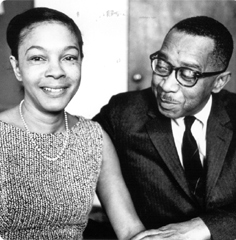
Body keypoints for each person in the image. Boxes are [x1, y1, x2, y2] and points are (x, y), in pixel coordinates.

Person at [0, 7, 147, 239]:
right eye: (38, 58)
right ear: (17, 67)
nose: (56, 71)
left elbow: (129, 230)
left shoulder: (94, 138)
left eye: (69, 57)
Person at [93, 16, 236, 240]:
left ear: (219, 82)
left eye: (188, 74)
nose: (166, 85)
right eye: (162, 66)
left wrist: (203, 227)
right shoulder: (123, 112)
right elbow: (77, 144)